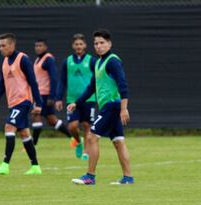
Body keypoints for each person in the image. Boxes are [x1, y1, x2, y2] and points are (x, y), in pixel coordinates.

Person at [69, 29, 134, 185]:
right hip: (109, 106)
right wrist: (76, 103)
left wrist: (124, 108)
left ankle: (90, 176)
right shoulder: (98, 62)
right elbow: (92, 87)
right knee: (118, 142)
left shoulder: (112, 61)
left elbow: (123, 84)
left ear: (109, 44)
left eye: (102, 43)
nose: (98, 46)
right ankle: (127, 178)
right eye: (96, 43)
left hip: (112, 105)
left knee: (91, 136)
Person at [0, 33, 43, 175]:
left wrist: (39, 103)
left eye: (3, 45)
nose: (1, 48)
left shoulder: (22, 59)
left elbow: (33, 82)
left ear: (12, 45)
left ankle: (5, 164)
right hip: (13, 103)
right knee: (24, 133)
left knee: (9, 126)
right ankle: (35, 167)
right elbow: (1, 84)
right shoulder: (5, 62)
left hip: (23, 101)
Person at [56, 33, 97, 161]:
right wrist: (58, 98)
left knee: (87, 126)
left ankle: (86, 152)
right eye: (76, 44)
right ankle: (78, 142)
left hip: (88, 99)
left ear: (85, 45)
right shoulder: (67, 61)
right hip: (72, 100)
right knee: (72, 126)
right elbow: (62, 81)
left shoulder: (91, 60)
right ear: (73, 46)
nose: (79, 46)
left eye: (81, 44)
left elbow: (97, 79)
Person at [31, 39, 71, 146]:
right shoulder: (37, 60)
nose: (38, 48)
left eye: (40, 45)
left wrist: (52, 96)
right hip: (39, 94)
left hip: (44, 95)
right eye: (36, 45)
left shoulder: (48, 59)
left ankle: (33, 144)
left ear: (45, 47)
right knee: (51, 120)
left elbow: (54, 78)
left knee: (36, 116)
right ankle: (73, 138)